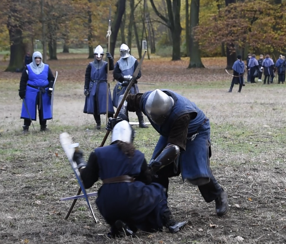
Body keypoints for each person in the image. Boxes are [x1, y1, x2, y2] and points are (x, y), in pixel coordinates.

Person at [123, 89, 228, 217]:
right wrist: (121, 119)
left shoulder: (181, 114)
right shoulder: (145, 100)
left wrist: (155, 165)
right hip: (171, 133)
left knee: (197, 173)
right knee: (157, 172)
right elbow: (123, 100)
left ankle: (218, 194)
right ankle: (160, 207)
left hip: (195, 131)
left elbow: (174, 149)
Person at [72, 120, 187, 237]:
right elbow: (146, 182)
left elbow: (87, 182)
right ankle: (170, 222)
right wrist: (150, 172)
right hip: (131, 200)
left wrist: (80, 161)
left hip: (106, 204)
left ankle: (119, 226)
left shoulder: (98, 153)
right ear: (131, 136)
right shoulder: (137, 155)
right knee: (157, 190)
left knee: (122, 200)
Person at [113, 44, 148, 128]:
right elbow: (116, 74)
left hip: (132, 86)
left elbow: (138, 73)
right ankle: (126, 122)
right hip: (123, 86)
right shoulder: (118, 63)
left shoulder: (134, 60)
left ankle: (141, 122)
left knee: (137, 103)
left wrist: (133, 78)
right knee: (123, 105)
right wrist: (123, 79)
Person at [19, 51, 55, 133]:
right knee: (29, 108)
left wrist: (50, 88)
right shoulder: (28, 68)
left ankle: (43, 126)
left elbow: (51, 79)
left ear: (41, 58)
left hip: (44, 92)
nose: (37, 60)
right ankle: (26, 127)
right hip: (31, 91)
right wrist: (22, 91)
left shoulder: (46, 67)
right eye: (36, 58)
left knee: (43, 109)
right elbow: (23, 80)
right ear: (33, 59)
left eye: (39, 58)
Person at [83, 45, 115, 130]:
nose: (98, 56)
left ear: (102, 55)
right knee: (95, 105)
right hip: (93, 86)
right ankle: (98, 123)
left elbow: (111, 68)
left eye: (100, 55)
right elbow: (87, 76)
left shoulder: (105, 64)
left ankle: (111, 122)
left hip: (103, 86)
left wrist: (110, 59)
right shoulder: (90, 65)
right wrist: (86, 88)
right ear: (94, 55)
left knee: (107, 105)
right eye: (97, 55)